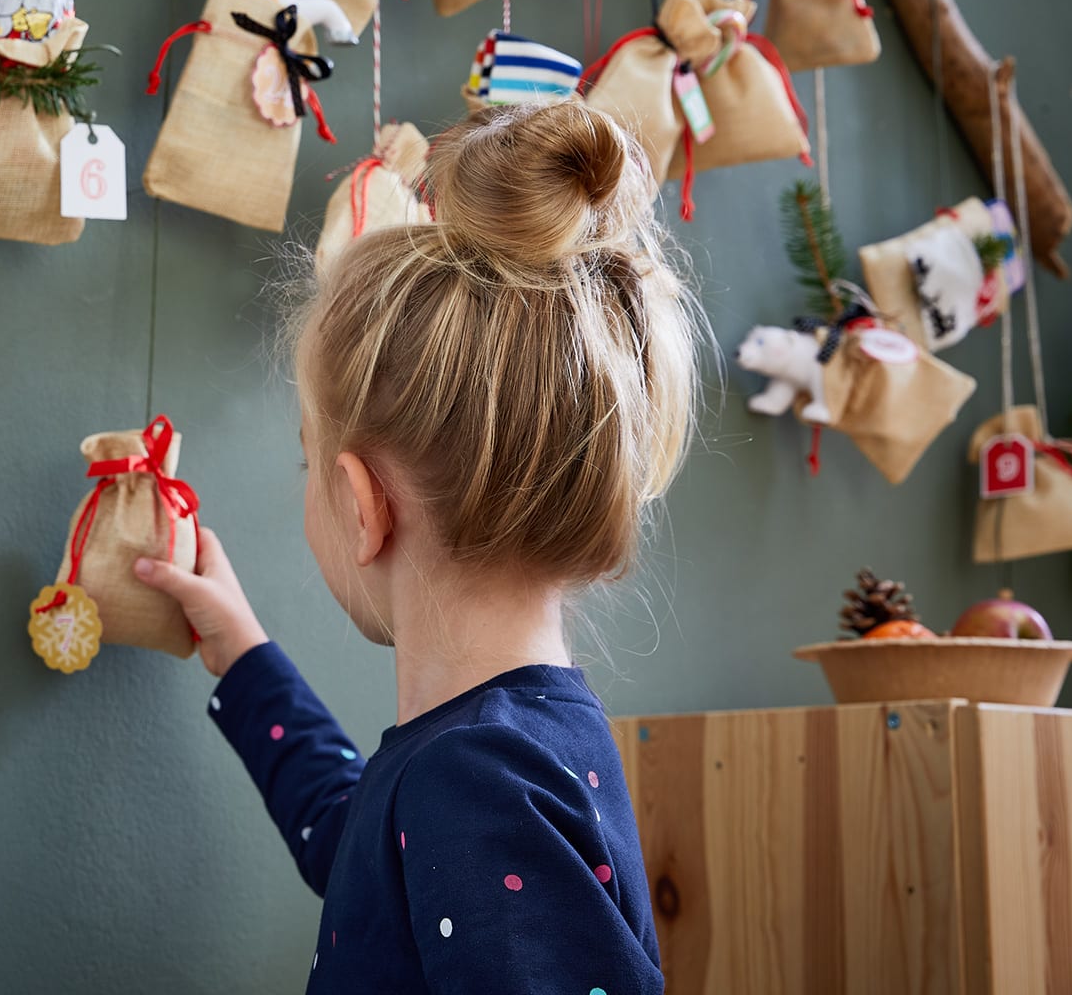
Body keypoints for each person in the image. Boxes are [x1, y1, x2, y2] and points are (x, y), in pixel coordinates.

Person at [135, 101, 696, 993]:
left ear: (364, 505)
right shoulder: (490, 756)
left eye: (307, 464)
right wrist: (241, 654)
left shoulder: (476, 777)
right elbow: (355, 843)